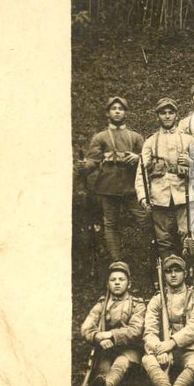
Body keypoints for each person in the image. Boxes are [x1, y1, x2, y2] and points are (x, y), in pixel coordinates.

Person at [76, 95, 148, 262]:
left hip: (131, 187)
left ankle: (147, 258)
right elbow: (93, 161)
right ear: (108, 113)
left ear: (125, 113)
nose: (117, 112)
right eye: (113, 109)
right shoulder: (100, 137)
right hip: (108, 187)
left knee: (145, 220)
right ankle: (117, 262)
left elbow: (147, 157)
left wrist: (138, 158)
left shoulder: (135, 137)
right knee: (111, 225)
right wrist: (84, 166)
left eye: (120, 109)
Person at [135, 97, 194, 258]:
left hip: (184, 195)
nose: (167, 116)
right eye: (163, 113)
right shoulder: (150, 142)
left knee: (187, 236)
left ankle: (188, 270)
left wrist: (190, 161)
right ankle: (168, 271)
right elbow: (141, 173)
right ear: (157, 117)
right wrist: (143, 197)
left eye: (170, 112)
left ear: (176, 115)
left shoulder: (188, 139)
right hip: (159, 196)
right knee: (163, 240)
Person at [141, 254, 194, 386]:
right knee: (147, 359)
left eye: (177, 270)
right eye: (168, 271)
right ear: (164, 275)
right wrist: (159, 348)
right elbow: (149, 330)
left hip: (187, 348)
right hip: (162, 349)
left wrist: (172, 343)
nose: (173, 275)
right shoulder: (157, 299)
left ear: (185, 273)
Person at [79, 261, 146, 386]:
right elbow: (86, 327)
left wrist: (109, 335)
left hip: (129, 350)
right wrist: (98, 337)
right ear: (108, 284)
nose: (117, 283)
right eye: (113, 279)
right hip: (105, 349)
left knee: (121, 363)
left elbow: (135, 331)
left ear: (129, 284)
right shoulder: (102, 305)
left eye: (121, 279)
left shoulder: (137, 305)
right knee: (103, 367)